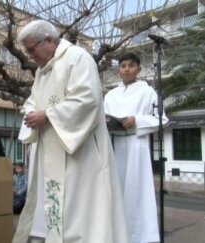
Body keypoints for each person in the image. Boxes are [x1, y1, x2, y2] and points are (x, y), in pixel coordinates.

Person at [14, 20, 128, 243]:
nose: (29, 56)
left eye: (31, 49)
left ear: (48, 40)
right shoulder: (41, 72)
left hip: (81, 154)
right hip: (54, 148)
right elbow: (33, 100)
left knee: (83, 210)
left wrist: (47, 115)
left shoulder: (77, 58)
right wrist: (30, 111)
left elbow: (88, 99)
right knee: (61, 208)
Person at [104, 52, 169, 243]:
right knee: (114, 190)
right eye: (123, 66)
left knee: (136, 189)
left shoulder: (148, 92)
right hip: (114, 145)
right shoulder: (111, 94)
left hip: (136, 146)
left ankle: (140, 236)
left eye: (131, 65)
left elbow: (161, 119)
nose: (126, 69)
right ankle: (115, 234)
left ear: (138, 69)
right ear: (118, 70)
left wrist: (136, 119)